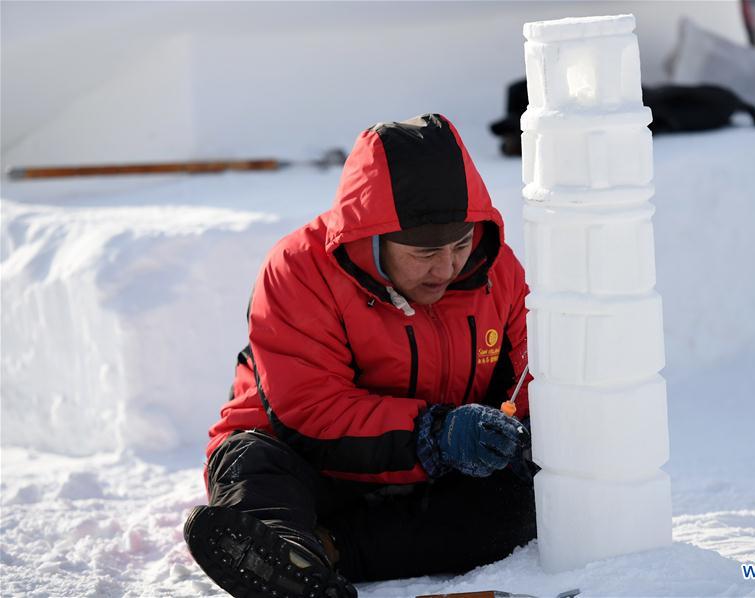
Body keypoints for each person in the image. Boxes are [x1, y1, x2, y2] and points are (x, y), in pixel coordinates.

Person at [183, 113, 536, 598]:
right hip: (305, 458)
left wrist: (521, 436)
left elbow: (530, 373)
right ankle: (282, 543)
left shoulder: (497, 270)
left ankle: (313, 557)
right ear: (372, 238)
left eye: (460, 243)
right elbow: (310, 411)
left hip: (428, 477)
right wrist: (436, 433)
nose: (449, 267)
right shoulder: (298, 270)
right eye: (425, 253)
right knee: (254, 471)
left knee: (522, 505)